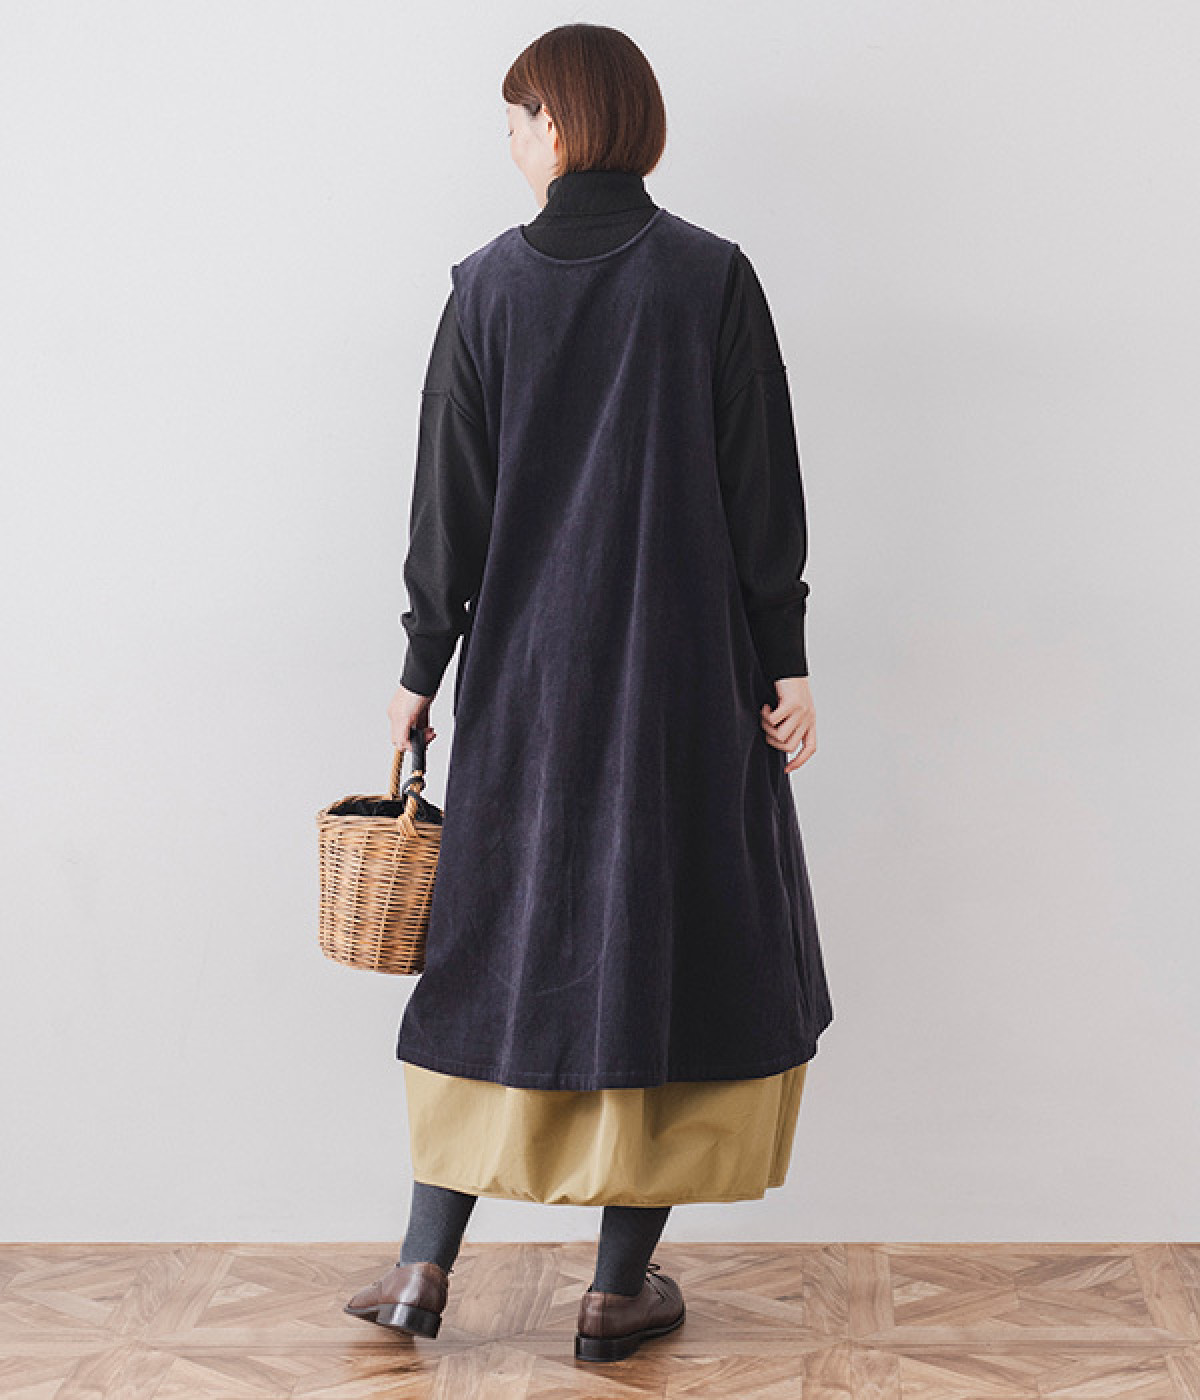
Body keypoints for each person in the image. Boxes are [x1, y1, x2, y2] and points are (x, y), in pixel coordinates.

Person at [344, 22, 834, 1364]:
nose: (509, 146)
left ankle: (421, 1270)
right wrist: (784, 658)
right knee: (668, 949)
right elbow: (763, 492)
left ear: (558, 126)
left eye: (515, 123)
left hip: (528, 692)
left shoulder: (485, 290)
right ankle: (618, 1292)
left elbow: (447, 508)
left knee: (490, 952)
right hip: (685, 687)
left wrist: (419, 671)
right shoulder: (712, 277)